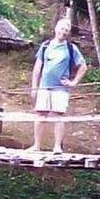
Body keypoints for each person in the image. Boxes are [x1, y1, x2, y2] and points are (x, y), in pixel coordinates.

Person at [27, 15, 87, 161]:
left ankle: (57, 147)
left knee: (58, 115)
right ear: (55, 29)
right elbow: (37, 67)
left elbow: (83, 66)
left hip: (61, 87)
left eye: (66, 30)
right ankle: (36, 145)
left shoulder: (71, 48)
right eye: (62, 28)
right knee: (40, 114)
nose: (64, 32)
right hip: (44, 86)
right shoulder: (46, 45)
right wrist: (34, 87)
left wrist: (74, 82)